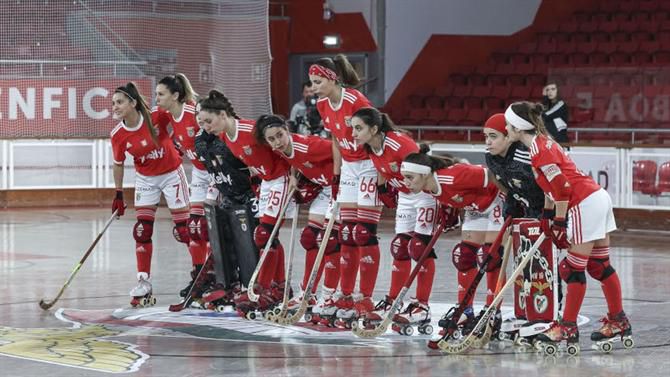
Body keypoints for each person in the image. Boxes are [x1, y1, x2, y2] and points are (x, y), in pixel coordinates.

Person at [504, 101, 631, 352]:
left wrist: (560, 221)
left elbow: (562, 188)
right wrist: (548, 213)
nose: (506, 128)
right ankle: (618, 321)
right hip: (595, 197)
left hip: (583, 202)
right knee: (599, 265)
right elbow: (553, 187)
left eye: (508, 124)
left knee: (571, 269)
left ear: (518, 128)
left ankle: (567, 327)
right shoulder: (541, 143)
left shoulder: (539, 149)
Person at [197, 90, 293, 315]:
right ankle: (277, 287)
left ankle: (265, 288)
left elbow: (285, 146)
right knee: (267, 237)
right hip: (266, 182)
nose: (206, 127)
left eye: (209, 121)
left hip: (280, 178)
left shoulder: (250, 131)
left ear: (222, 115)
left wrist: (299, 176)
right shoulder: (223, 138)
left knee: (265, 236)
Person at [399, 148, 505, 341]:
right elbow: (450, 196)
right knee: (464, 256)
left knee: (490, 257)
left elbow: (491, 174)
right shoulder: (426, 186)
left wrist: (511, 199)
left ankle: (493, 311)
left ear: (424, 174)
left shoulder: (453, 176)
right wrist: (450, 210)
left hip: (496, 199)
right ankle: (466, 309)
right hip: (475, 207)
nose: (406, 183)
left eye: (409, 177)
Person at [350, 107, 441, 332]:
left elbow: (426, 168)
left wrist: (439, 199)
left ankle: (422, 305)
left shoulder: (399, 143)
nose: (353, 133)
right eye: (352, 128)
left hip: (424, 193)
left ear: (374, 129)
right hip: (405, 195)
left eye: (358, 128)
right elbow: (381, 165)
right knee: (400, 247)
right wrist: (382, 188)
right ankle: (393, 300)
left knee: (419, 247)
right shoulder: (370, 146)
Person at [309, 54, 382, 326]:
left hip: (368, 165)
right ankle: (346, 295)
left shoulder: (355, 101)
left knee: (364, 233)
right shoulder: (322, 105)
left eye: (317, 81)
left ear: (331, 78)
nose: (313, 87)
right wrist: (337, 175)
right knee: (347, 234)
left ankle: (366, 297)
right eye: (312, 82)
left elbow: (376, 133)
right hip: (349, 169)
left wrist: (382, 174)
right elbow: (336, 141)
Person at [110, 82, 191, 307]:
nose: (114, 107)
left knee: (185, 230)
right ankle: (143, 281)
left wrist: (184, 142)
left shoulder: (157, 116)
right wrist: (118, 193)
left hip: (172, 174)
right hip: (146, 179)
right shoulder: (118, 135)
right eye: (113, 103)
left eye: (119, 102)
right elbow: (118, 164)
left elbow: (181, 118)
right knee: (142, 230)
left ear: (133, 103)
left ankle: (201, 275)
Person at [257, 114, 341, 324]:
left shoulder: (309, 145)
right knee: (310, 237)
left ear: (287, 131)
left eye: (280, 135)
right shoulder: (285, 150)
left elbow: (339, 149)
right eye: (272, 139)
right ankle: (308, 292)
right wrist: (295, 174)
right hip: (325, 187)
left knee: (329, 241)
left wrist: (339, 178)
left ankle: (330, 296)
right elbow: (295, 159)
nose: (278, 142)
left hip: (340, 186)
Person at [194, 106, 258, 308]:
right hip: (226, 192)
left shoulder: (236, 134)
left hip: (248, 194)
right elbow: (213, 169)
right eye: (200, 120)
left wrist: (257, 190)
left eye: (206, 120)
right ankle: (229, 283)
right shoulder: (202, 141)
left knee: (252, 241)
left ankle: (255, 285)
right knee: (224, 237)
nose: (203, 124)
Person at [155, 73, 211, 298]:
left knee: (217, 229)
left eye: (161, 94)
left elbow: (218, 134)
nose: (156, 98)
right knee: (194, 227)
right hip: (199, 173)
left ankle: (224, 276)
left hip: (217, 173)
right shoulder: (170, 115)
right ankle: (201, 277)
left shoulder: (193, 113)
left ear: (175, 95)